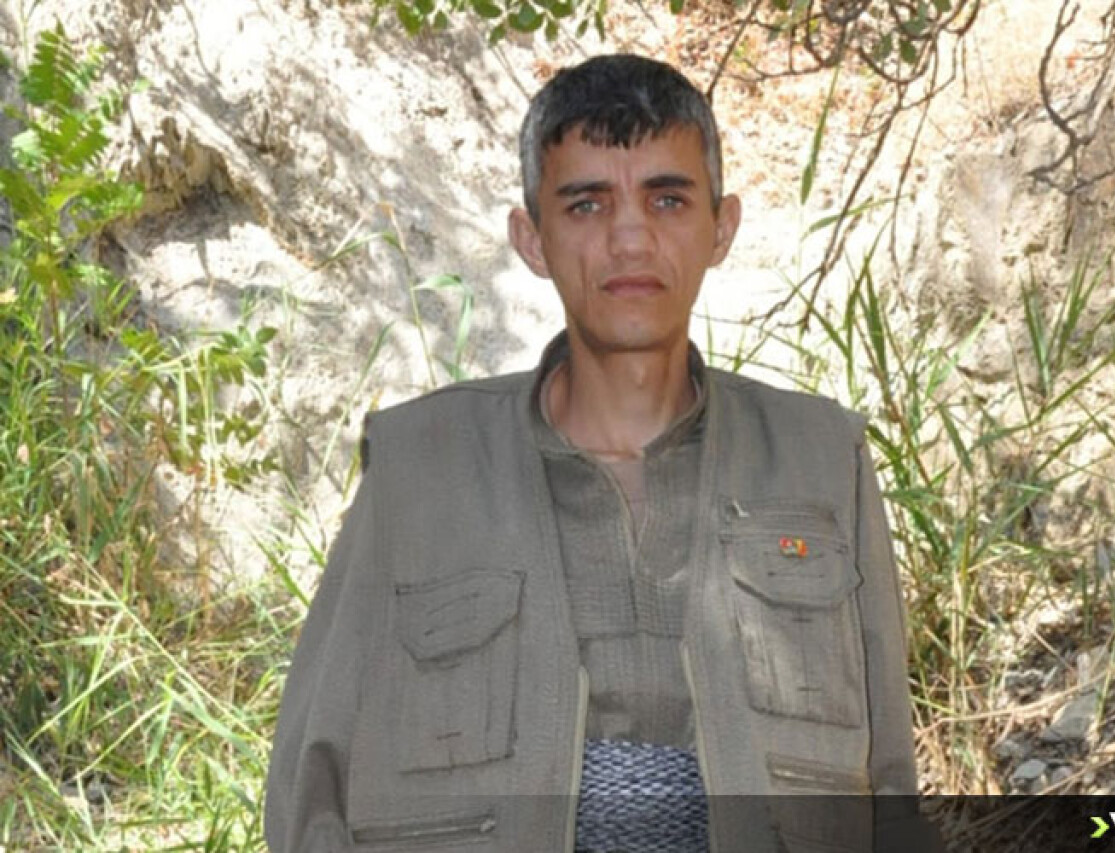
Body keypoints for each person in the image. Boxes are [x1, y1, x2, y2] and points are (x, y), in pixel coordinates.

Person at [265, 53, 932, 853]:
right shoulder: (420, 470)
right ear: (532, 239)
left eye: (667, 199)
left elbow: (890, 786)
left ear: (721, 228)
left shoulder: (820, 460)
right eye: (586, 204)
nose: (629, 237)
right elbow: (311, 784)